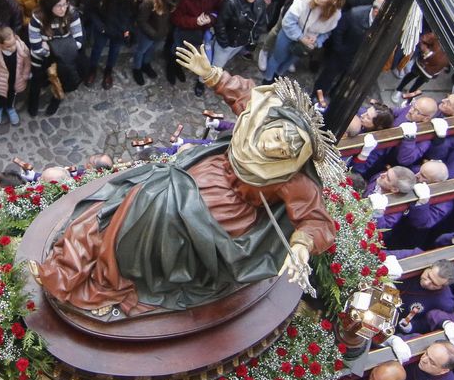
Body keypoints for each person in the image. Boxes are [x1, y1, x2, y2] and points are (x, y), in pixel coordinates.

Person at [37, 46, 335, 316]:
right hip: (204, 171)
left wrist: (301, 245)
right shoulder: (258, 117)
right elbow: (243, 93)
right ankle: (71, 265)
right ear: (275, 124)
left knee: (157, 212)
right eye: (277, 138)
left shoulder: (289, 175)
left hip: (227, 215)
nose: (273, 148)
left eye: (284, 151)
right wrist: (211, 73)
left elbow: (317, 221)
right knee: (128, 193)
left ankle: (107, 280)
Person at [263, 0, 344, 84]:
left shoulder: (335, 15)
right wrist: (301, 37)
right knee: (278, 57)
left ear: (331, 3)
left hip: (305, 44)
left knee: (289, 62)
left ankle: (277, 78)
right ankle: (267, 80)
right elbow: (288, 21)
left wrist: (317, 41)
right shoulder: (305, 0)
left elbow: (327, 32)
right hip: (289, 33)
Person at [27, 0, 84, 116]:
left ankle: (56, 100)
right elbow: (36, 48)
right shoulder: (37, 18)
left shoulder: (72, 14)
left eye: (65, 4)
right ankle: (33, 102)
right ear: (49, 5)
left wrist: (49, 45)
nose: (63, 9)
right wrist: (65, 45)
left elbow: (79, 42)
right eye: (59, 6)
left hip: (63, 60)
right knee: (36, 82)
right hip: (41, 60)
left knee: (60, 82)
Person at [87, 0, 137, 90]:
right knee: (97, 49)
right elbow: (91, 11)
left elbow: (133, 14)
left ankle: (108, 72)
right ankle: (92, 69)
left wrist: (127, 29)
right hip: (104, 28)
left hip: (120, 29)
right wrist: (101, 27)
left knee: (114, 52)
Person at [132, 0, 182, 85]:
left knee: (151, 50)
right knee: (140, 51)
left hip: (161, 33)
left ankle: (146, 65)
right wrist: (153, 34)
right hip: (148, 33)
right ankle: (137, 69)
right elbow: (141, 20)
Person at [211, 0, 267, 66]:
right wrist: (225, 43)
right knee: (215, 67)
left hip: (241, 41)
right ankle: (202, 80)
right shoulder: (231, 2)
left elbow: (261, 18)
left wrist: (254, 37)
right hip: (228, 42)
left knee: (224, 61)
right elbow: (220, 24)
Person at [0, 26, 31, 126]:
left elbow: (27, 62)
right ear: (0, 44)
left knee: (12, 95)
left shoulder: (21, 47)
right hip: (1, 82)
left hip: (16, 79)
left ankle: (10, 107)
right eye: (9, 46)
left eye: (14, 44)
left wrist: (25, 74)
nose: (13, 48)